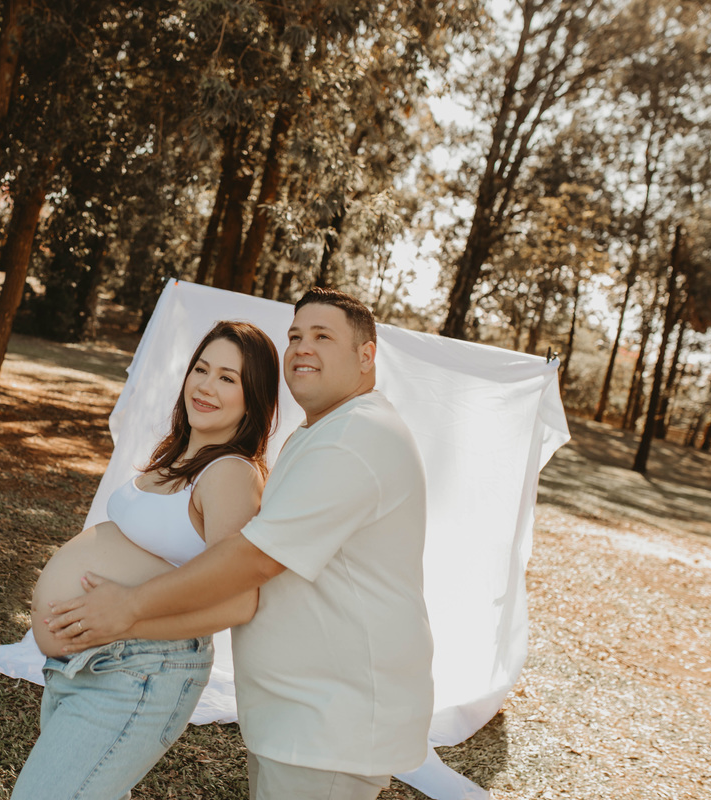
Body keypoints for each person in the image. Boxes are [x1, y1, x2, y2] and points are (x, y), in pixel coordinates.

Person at [46, 287, 435, 800]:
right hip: (298, 712)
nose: (303, 347)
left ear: (366, 356)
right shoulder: (324, 432)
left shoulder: (354, 438)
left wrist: (129, 609)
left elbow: (253, 559)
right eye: (295, 335)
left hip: (331, 721)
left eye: (323, 336)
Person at [10, 320, 280, 800]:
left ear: (253, 397)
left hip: (140, 666)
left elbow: (240, 602)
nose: (206, 386)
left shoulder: (230, 474)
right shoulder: (179, 455)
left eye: (227, 378)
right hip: (93, 661)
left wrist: (127, 620)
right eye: (201, 369)